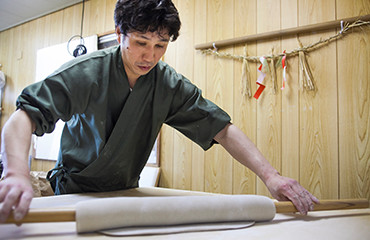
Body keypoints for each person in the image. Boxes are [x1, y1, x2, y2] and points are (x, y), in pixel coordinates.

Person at [0, 0, 318, 223]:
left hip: (126, 195)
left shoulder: (167, 85)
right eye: (140, 42)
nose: (149, 56)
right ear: (119, 32)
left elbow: (222, 128)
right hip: (71, 193)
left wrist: (272, 176)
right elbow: (23, 117)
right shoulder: (88, 73)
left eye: (160, 45)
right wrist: (16, 172)